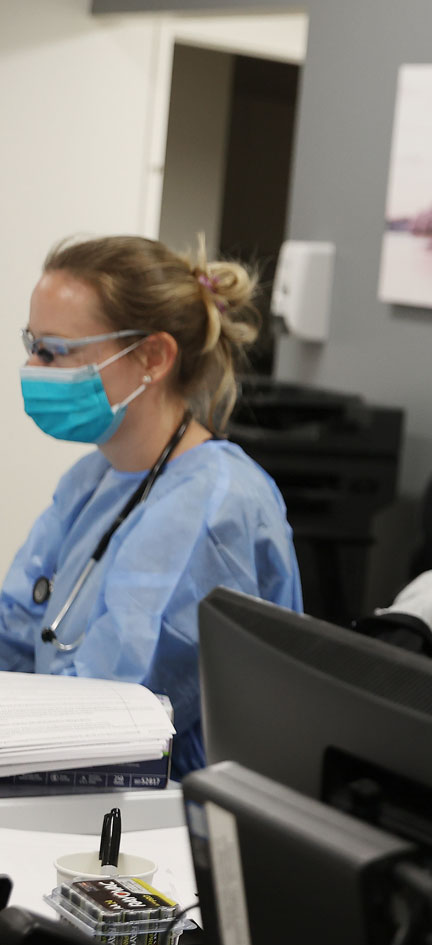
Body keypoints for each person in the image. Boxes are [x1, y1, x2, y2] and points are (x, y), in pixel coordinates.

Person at [1, 236, 303, 776]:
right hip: (60, 771)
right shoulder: (98, 475)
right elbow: (16, 630)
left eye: (54, 350)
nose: (32, 365)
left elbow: (109, 716)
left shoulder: (214, 507)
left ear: (152, 357)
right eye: (31, 343)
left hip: (167, 817)